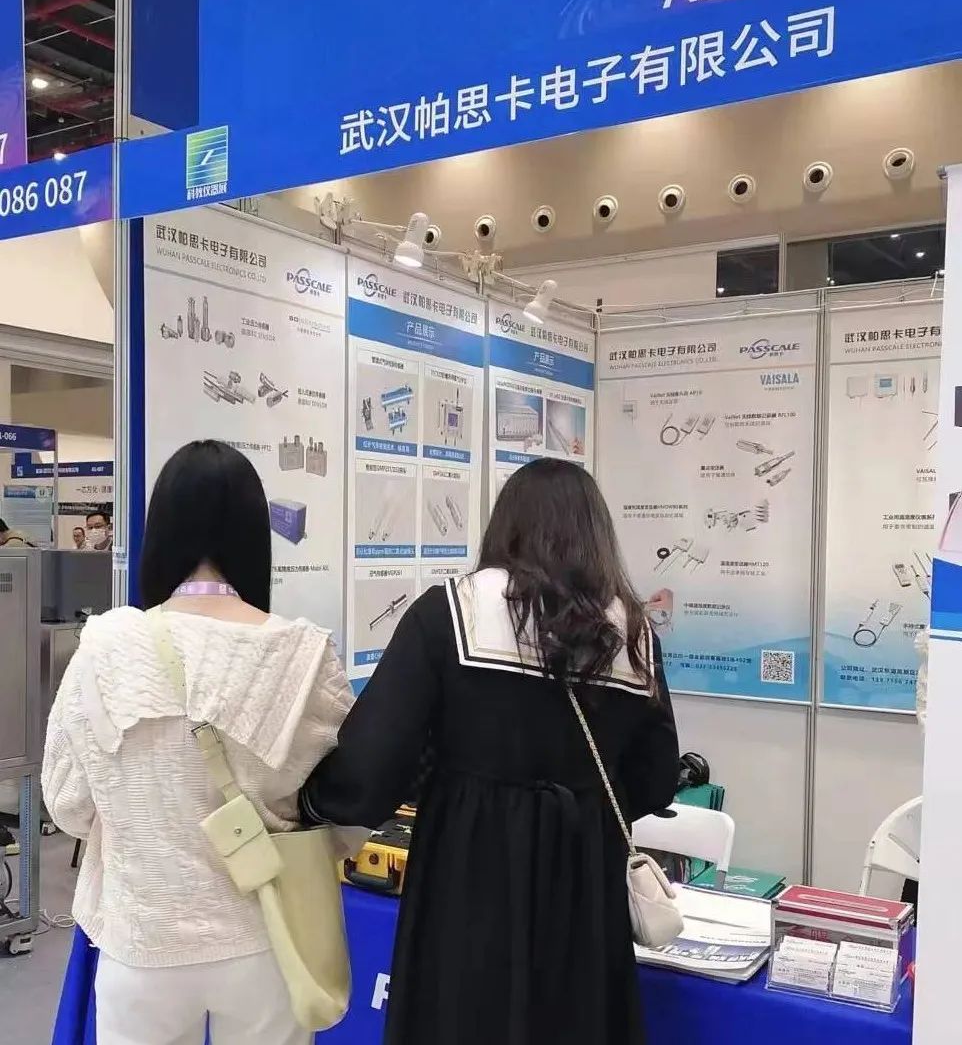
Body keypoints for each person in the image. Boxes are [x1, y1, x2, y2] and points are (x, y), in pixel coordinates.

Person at [301, 458, 679, 1045]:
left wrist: (310, 803)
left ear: (507, 526)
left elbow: (375, 761)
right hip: (584, 880)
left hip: (468, 868)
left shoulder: (449, 613)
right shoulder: (632, 634)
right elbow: (655, 781)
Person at [42, 440, 353, 1045]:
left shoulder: (104, 648)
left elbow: (69, 805)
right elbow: (344, 808)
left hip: (142, 938)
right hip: (267, 934)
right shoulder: (304, 654)